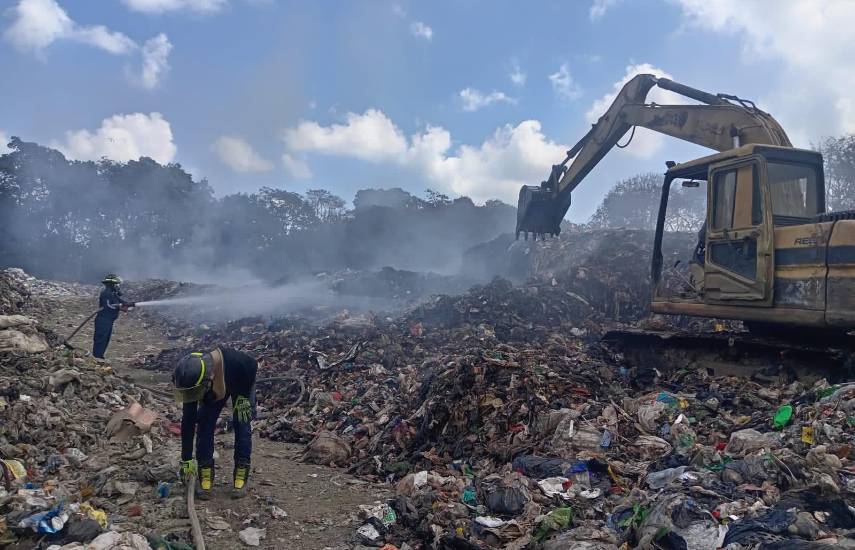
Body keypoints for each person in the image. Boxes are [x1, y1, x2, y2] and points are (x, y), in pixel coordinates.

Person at [173, 347, 258, 499]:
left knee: (241, 422)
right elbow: (189, 420)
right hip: (215, 388)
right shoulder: (192, 377)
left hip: (241, 381)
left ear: (209, 378)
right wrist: (186, 459)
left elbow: (253, 366)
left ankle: (241, 475)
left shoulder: (240, 362)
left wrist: (244, 398)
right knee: (205, 422)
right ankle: (205, 474)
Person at [92, 274, 135, 359]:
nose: (118, 286)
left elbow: (121, 301)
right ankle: (97, 358)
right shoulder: (106, 293)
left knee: (106, 340)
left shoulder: (113, 293)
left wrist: (129, 304)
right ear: (112, 284)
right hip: (103, 320)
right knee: (101, 340)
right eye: (117, 284)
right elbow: (108, 306)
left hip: (109, 320)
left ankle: (100, 357)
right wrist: (120, 307)